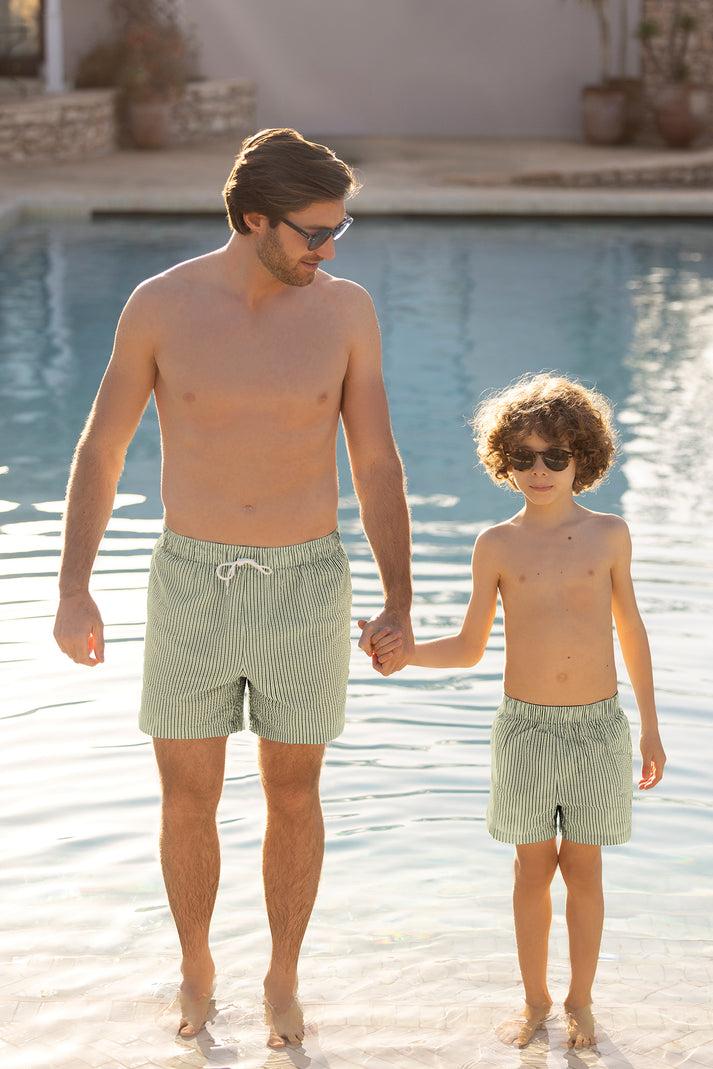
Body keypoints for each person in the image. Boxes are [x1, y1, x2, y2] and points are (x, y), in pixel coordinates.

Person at [52, 127, 414, 1048]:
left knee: (295, 792)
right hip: (191, 580)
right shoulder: (161, 305)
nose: (327, 250)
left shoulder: (345, 311)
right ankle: (196, 963)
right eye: (311, 233)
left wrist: (400, 599)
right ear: (253, 218)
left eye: (338, 232)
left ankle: (283, 976)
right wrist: (74, 588)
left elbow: (375, 461)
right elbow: (103, 447)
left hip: (305, 582)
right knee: (187, 795)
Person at [365, 372, 666, 1050]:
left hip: (596, 727)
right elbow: (471, 646)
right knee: (532, 868)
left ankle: (580, 1001)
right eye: (524, 456)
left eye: (554, 456)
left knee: (583, 866)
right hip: (524, 729)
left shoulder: (609, 534)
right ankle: (533, 999)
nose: (539, 469)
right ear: (504, 460)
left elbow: (631, 631)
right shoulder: (494, 545)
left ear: (581, 460)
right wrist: (404, 655)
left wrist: (648, 726)